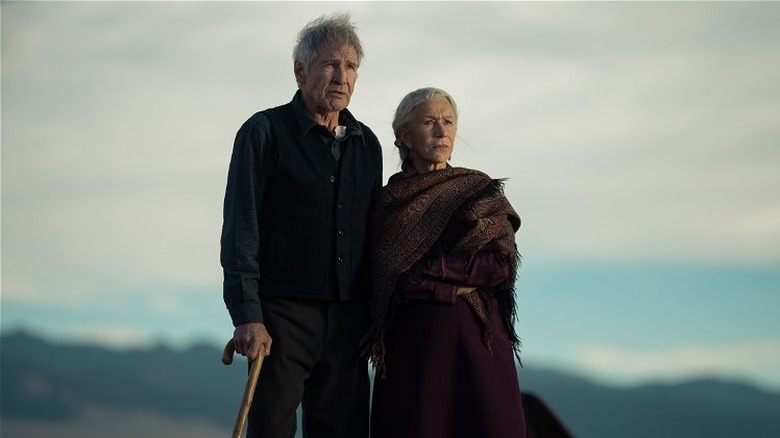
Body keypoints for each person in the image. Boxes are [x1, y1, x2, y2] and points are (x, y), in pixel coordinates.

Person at [220, 12, 382, 438]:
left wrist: (375, 313)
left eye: (351, 67)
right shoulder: (264, 132)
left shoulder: (368, 144)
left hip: (350, 321)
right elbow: (241, 228)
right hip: (281, 317)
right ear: (300, 70)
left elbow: (375, 237)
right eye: (330, 64)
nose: (341, 76)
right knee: (271, 429)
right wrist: (247, 314)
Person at [366, 87, 527, 438]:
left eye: (448, 121)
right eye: (429, 122)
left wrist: (436, 271)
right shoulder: (388, 205)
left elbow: (500, 262)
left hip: (480, 350)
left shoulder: (479, 190)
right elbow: (393, 279)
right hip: (415, 355)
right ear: (404, 135)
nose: (441, 131)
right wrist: (458, 282)